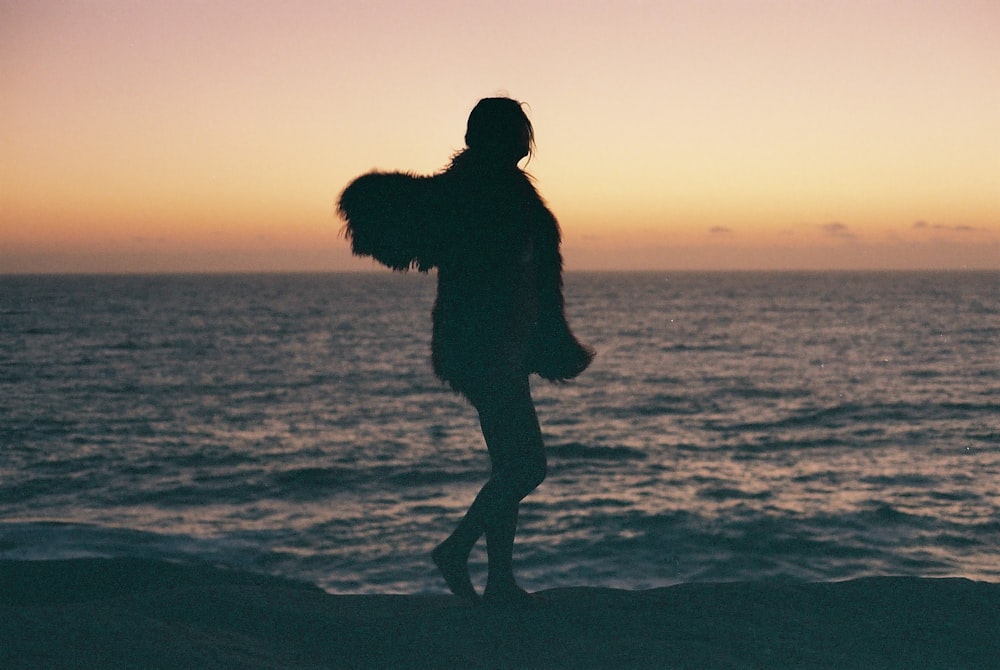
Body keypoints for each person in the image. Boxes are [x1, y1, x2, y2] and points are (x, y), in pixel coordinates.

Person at [337, 96, 593, 605]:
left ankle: (500, 579)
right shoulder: (476, 192)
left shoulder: (491, 191)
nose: (525, 143)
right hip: (485, 347)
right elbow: (423, 231)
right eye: (519, 132)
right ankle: (455, 551)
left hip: (502, 344)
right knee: (528, 467)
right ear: (503, 138)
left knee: (508, 463)